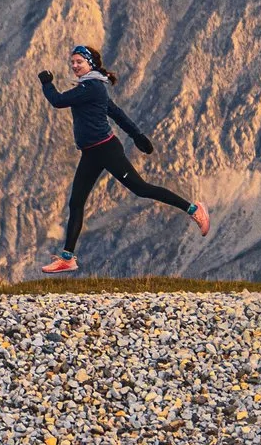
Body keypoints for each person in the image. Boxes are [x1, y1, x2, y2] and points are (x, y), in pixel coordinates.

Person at [36, 43, 209, 274]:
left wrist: (47, 83)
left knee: (141, 188)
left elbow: (57, 101)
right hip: (90, 154)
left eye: (79, 61)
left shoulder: (92, 87)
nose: (74, 65)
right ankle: (67, 258)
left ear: (90, 64)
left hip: (107, 150)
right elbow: (116, 113)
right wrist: (137, 135)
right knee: (76, 202)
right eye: (73, 62)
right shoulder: (90, 86)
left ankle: (193, 208)